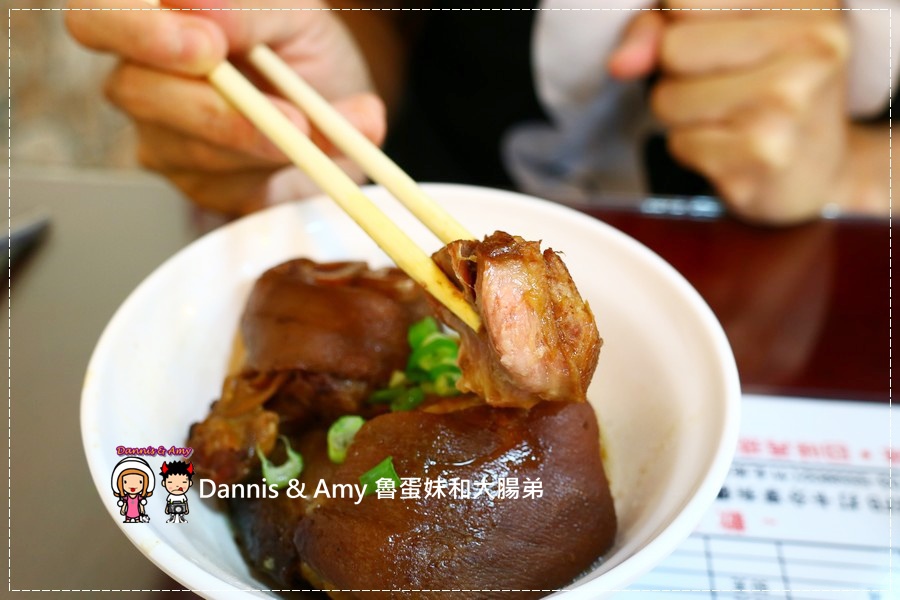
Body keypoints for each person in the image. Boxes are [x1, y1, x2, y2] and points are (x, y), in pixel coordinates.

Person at [66, 0, 894, 224]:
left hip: (809, 283)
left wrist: (855, 167)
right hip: (417, 209)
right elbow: (375, 15)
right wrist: (321, 97)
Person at [110, 456, 155, 523]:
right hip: (128, 514)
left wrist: (142, 509)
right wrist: (123, 509)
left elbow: (141, 504)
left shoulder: (139, 497)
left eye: (140, 482)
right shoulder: (126, 497)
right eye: (126, 482)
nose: (133, 485)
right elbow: (125, 503)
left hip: (137, 514)